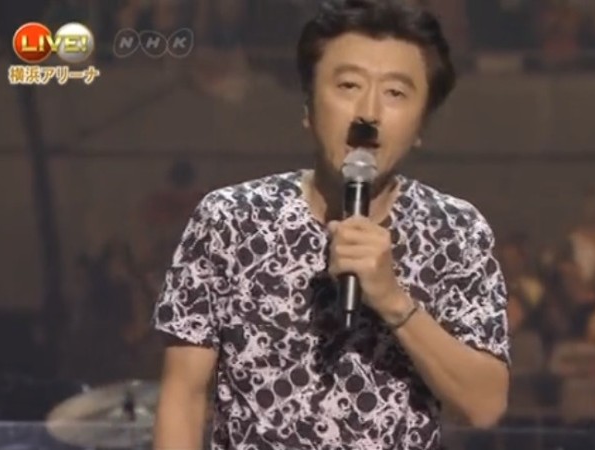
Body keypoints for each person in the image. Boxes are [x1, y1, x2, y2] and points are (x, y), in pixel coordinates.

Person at [151, 1, 511, 449]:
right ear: (308, 107)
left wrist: (393, 300)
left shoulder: (456, 231)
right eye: (348, 85)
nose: (368, 113)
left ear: (421, 124)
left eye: (395, 93)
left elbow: (485, 405)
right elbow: (183, 396)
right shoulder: (230, 220)